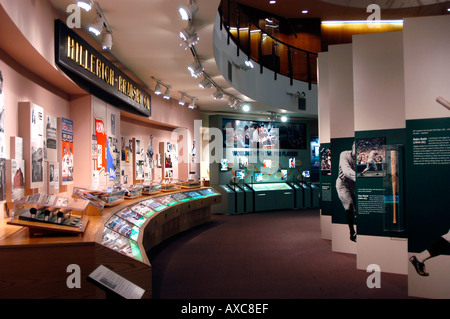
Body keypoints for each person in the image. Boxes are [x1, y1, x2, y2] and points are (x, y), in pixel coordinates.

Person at [336, 142, 357, 242]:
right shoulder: (344, 154)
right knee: (349, 204)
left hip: (353, 183)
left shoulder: (360, 158)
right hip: (343, 182)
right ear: (352, 147)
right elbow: (346, 171)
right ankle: (352, 232)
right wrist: (360, 178)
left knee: (358, 205)